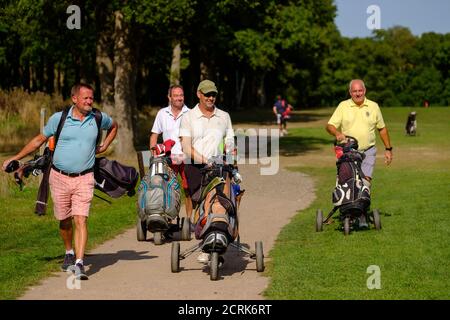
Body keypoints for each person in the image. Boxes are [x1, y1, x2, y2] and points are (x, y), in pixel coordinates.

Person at [2, 83, 118, 280]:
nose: (90, 101)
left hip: (85, 177)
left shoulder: (98, 118)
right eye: (85, 98)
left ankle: (79, 263)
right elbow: (39, 139)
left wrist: (105, 145)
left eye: (91, 97)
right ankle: (69, 252)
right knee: (64, 220)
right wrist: (17, 157)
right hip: (59, 177)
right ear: (74, 98)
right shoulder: (59, 118)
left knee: (81, 219)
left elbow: (114, 126)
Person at [179, 79, 234, 263]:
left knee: (222, 203)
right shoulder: (188, 117)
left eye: (213, 94)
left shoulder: (224, 116)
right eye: (207, 94)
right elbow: (186, 147)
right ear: (199, 94)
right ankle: (205, 242)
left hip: (220, 167)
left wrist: (231, 163)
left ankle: (219, 239)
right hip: (196, 168)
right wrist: (206, 161)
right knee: (200, 207)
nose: (211, 98)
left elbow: (230, 142)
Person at [326, 79, 393, 227]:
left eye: (360, 90)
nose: (358, 93)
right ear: (350, 92)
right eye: (354, 91)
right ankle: (346, 211)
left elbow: (382, 129)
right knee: (347, 182)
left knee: (365, 182)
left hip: (368, 150)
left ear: (365, 91)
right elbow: (329, 125)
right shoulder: (343, 106)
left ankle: (362, 213)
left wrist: (388, 149)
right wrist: (337, 133)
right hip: (348, 152)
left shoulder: (374, 106)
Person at [149, 84, 192, 235]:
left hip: (186, 158)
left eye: (181, 95)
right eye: (176, 95)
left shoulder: (190, 113)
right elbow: (154, 135)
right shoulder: (162, 114)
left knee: (189, 190)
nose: (180, 98)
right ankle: (169, 220)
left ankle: (189, 221)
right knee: (167, 190)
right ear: (169, 97)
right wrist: (154, 152)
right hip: (168, 159)